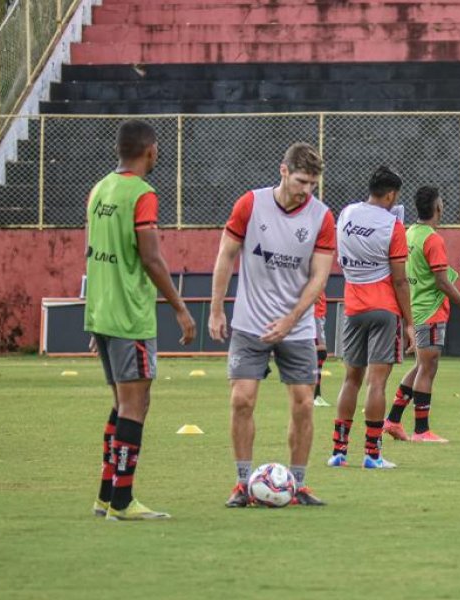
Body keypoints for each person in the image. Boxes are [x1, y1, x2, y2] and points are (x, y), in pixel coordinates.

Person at [210, 142, 335, 507]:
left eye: (313, 184)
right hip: (250, 324)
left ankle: (297, 485)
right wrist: (217, 310)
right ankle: (242, 483)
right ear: (283, 171)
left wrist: (292, 319)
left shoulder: (322, 217)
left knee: (304, 405)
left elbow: (319, 277)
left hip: (296, 328)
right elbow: (225, 255)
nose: (306, 190)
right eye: (300, 181)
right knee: (241, 400)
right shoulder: (250, 204)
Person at [85, 120, 196, 521]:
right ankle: (123, 501)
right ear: (149, 150)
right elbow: (150, 258)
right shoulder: (142, 194)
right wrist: (181, 308)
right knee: (136, 405)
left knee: (121, 404)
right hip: (130, 316)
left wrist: (97, 312)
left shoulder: (99, 190)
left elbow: (94, 252)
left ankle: (105, 496)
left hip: (101, 312)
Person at [384, 187, 460, 443]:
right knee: (428, 368)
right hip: (430, 311)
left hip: (416, 307)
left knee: (422, 366)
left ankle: (393, 419)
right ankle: (422, 430)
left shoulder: (410, 234)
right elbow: (442, 282)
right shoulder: (432, 239)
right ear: (438, 208)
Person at [327, 166, 416, 469]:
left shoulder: (347, 213)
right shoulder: (394, 226)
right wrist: (410, 323)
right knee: (376, 384)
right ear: (391, 194)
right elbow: (401, 280)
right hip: (383, 308)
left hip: (352, 306)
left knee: (350, 380)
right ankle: (372, 454)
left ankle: (339, 451)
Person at [313, 291, 330, 406]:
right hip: (314, 313)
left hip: (318, 312)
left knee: (318, 353)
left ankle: (315, 395)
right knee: (320, 353)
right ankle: (315, 396)